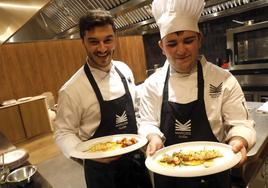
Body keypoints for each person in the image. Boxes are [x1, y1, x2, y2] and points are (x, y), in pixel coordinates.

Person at [138, 0, 256, 188]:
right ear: (161, 46)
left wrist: (239, 140)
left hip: (214, 175)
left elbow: (240, 123)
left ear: (199, 39)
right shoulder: (152, 84)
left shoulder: (223, 79)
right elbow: (147, 123)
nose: (181, 50)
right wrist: (152, 137)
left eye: (188, 40)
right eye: (172, 43)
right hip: (168, 176)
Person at [54, 9, 152, 188]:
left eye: (108, 40)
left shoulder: (124, 70)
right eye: (93, 42)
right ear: (83, 41)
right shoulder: (72, 89)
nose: (102, 48)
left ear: (115, 38)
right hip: (102, 174)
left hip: (135, 164)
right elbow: (63, 132)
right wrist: (89, 155)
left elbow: (137, 110)